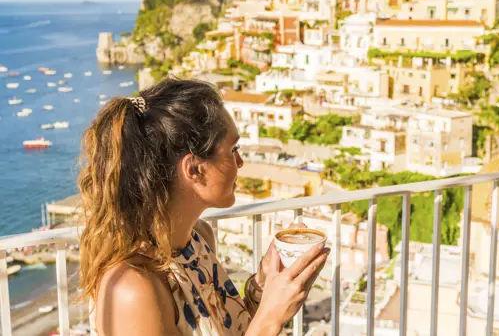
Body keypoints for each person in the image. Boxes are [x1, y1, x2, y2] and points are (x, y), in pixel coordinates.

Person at [78, 78, 330, 335]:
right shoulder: (131, 289)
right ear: (194, 169)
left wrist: (263, 288)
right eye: (233, 149)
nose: (240, 162)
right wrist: (271, 319)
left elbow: (227, 330)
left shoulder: (198, 240)